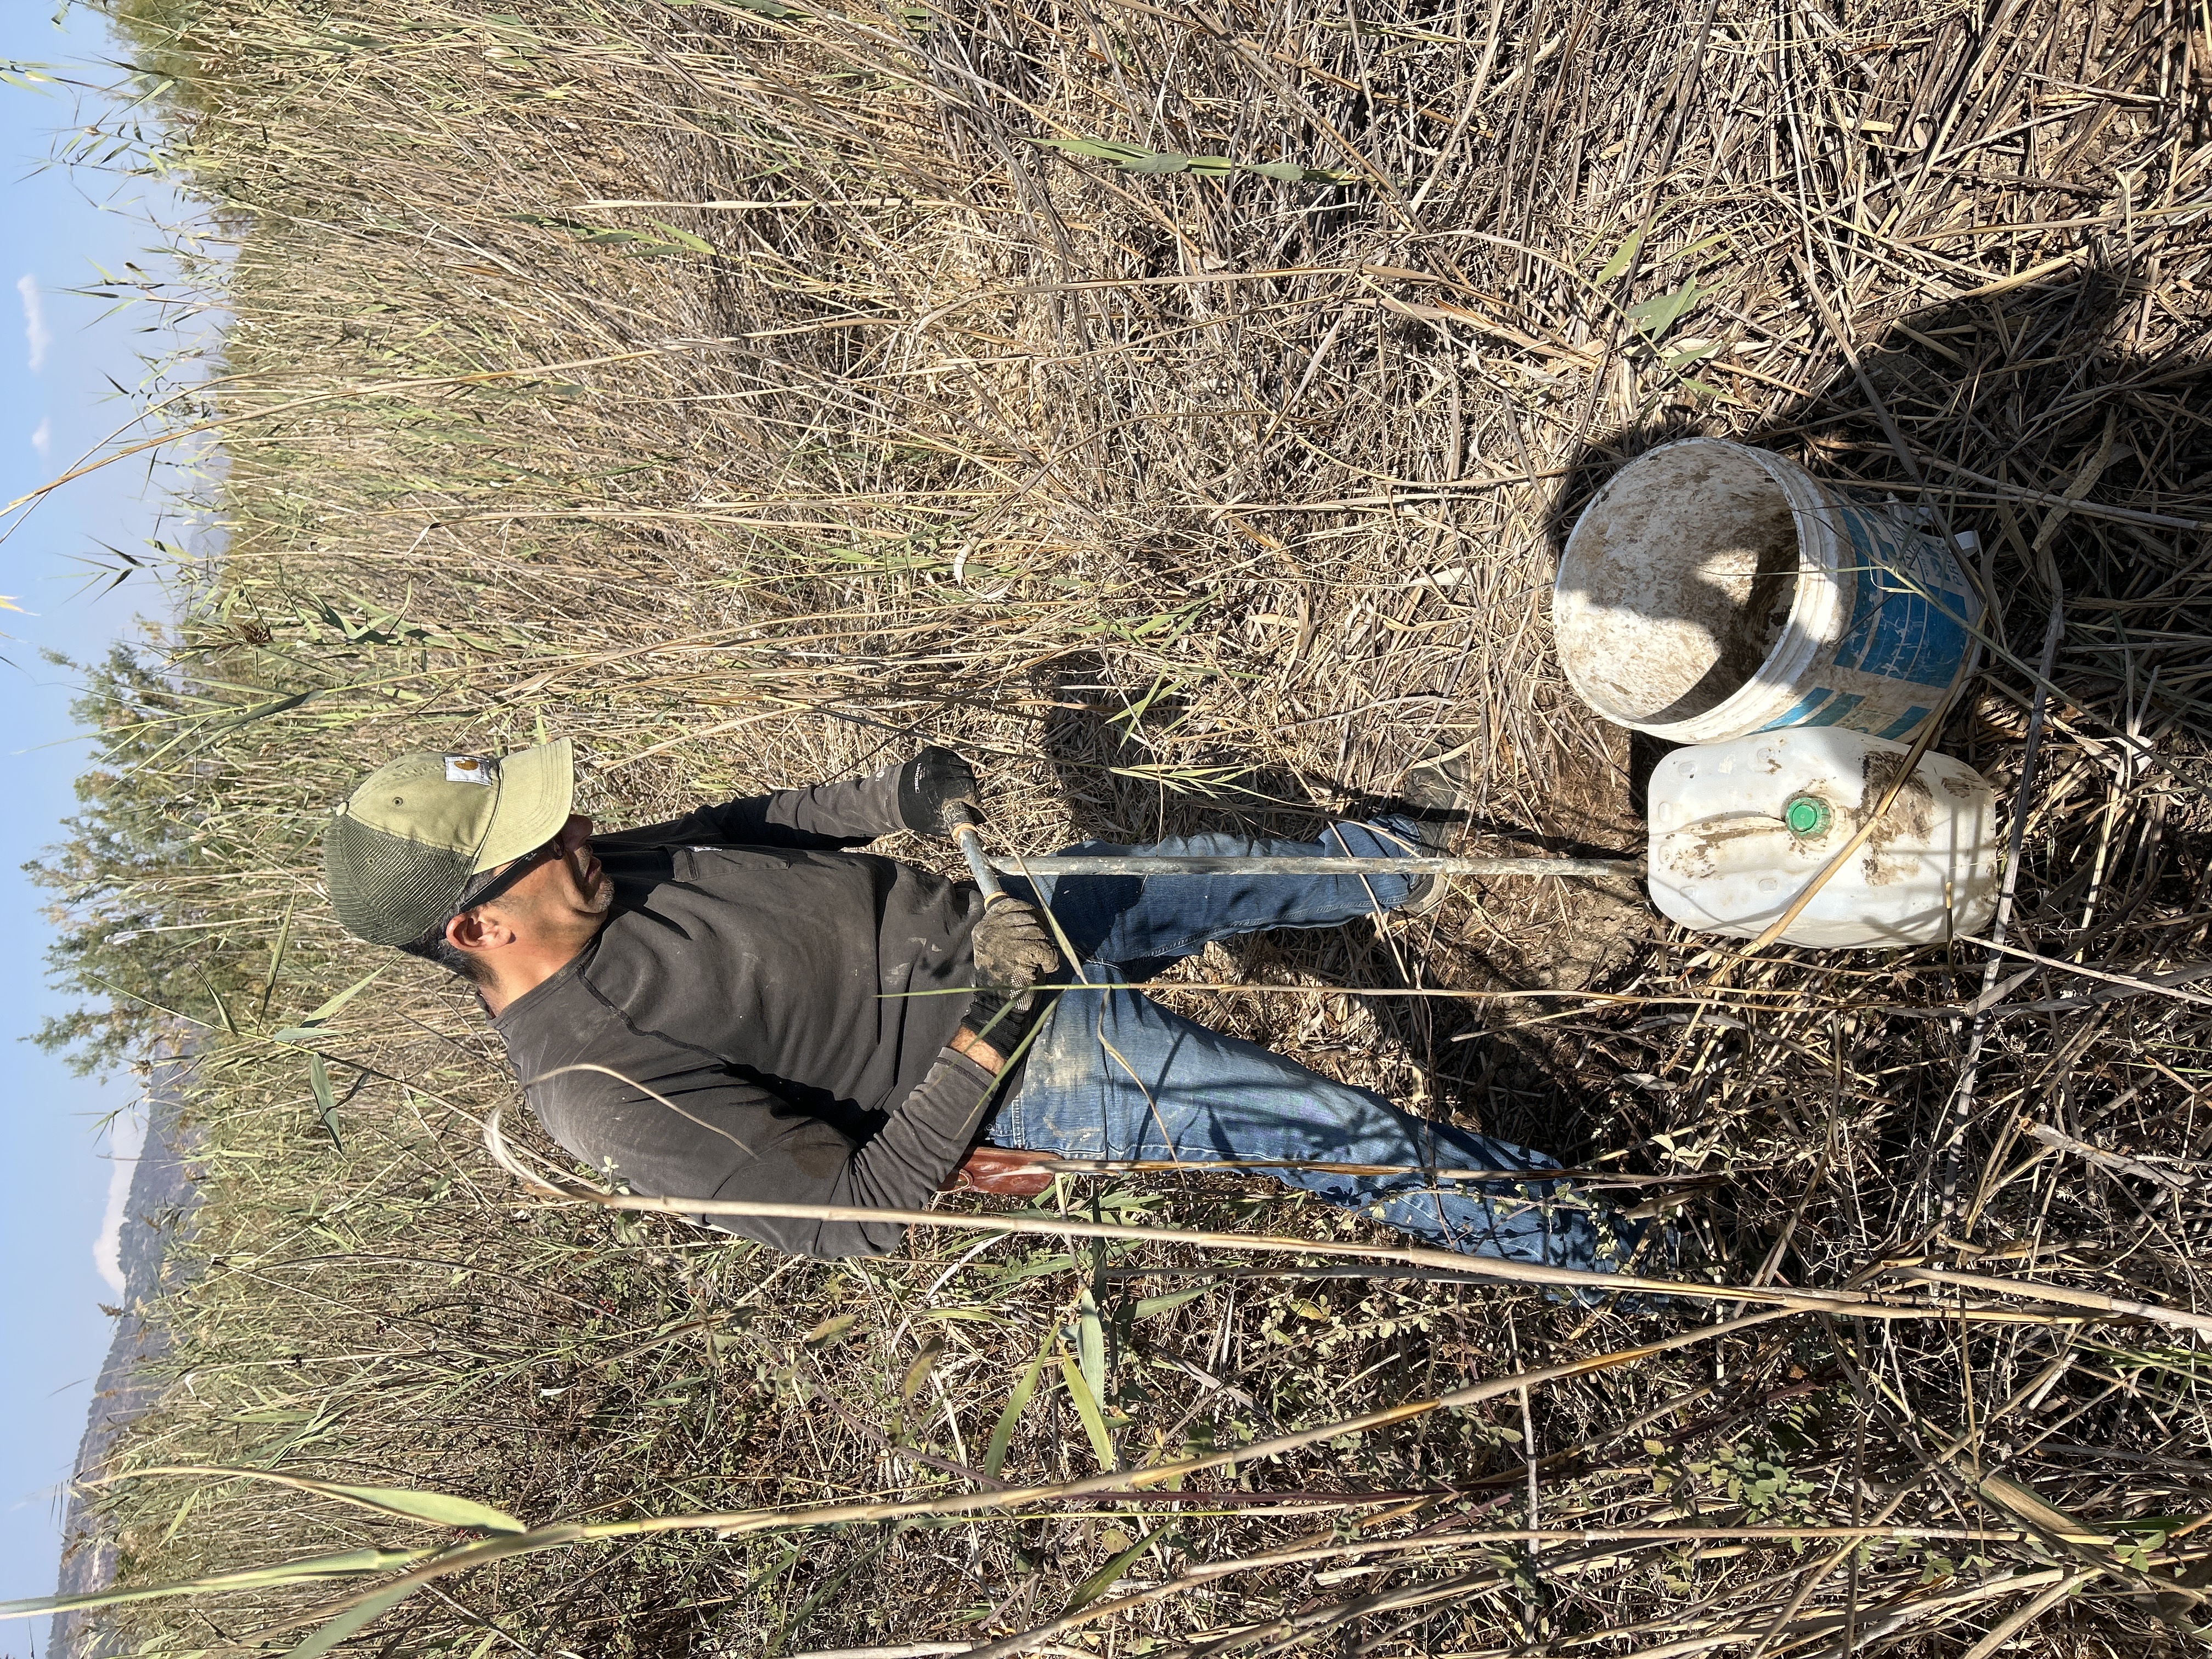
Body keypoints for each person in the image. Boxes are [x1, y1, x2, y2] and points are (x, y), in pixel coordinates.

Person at [320, 738, 1638, 1273]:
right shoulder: (589, 1086)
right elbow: (853, 1221)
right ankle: (1634, 1268)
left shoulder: (599, 875)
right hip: (1032, 1059)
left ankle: (1543, 865)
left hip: (1005, 912)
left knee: (1261, 867)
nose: (588, 828)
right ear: (479, 926)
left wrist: (892, 798)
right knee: (1339, 1137)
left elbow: (752, 825)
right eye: (546, 838)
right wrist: (998, 1021)